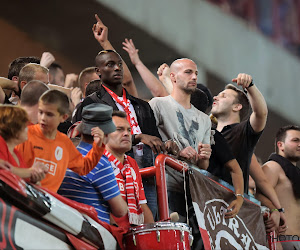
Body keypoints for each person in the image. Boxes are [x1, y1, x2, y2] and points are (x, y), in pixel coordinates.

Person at [73, 49, 171, 220]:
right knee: (118, 221)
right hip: (110, 171)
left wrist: (167, 144)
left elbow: (155, 139)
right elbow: (87, 139)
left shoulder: (142, 105)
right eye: (110, 65)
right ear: (98, 72)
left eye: (119, 64)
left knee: (149, 224)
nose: (117, 68)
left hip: (147, 175)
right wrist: (137, 137)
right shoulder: (91, 102)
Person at [211, 76, 287, 231]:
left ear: (237, 107)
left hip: (230, 216)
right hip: (203, 208)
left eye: (224, 96)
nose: (215, 97)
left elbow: (261, 113)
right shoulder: (206, 131)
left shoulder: (242, 133)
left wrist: (250, 86)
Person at [149, 58, 212, 221]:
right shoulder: (158, 104)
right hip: (163, 187)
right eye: (188, 72)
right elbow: (145, 144)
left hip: (192, 193)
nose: (194, 77)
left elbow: (204, 166)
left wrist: (205, 156)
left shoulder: (205, 119)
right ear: (173, 77)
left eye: (196, 73)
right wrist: (173, 151)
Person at [16, 90, 105, 192]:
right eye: (40, 112)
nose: (43, 118)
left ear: (63, 117)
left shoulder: (64, 142)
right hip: (21, 196)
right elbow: (10, 167)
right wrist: (29, 175)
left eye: (49, 114)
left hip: (48, 203)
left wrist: (98, 147)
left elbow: (83, 167)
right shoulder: (25, 135)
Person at [58, 104, 128, 224]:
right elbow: (120, 211)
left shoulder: (65, 155)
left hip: (65, 225)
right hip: (93, 232)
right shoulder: (100, 163)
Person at [104, 111, 154, 225]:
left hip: (131, 234)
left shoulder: (132, 163)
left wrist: (153, 232)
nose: (126, 134)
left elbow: (142, 205)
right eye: (119, 129)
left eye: (129, 130)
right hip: (107, 233)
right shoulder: (97, 160)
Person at [262, 125, 300, 249]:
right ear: (280, 145)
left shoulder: (297, 174)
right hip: (283, 241)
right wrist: (274, 209)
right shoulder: (273, 166)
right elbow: (259, 195)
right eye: (295, 140)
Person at [0, 105, 47, 182]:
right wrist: (32, 171)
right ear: (14, 128)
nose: (28, 128)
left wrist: (35, 179)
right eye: (25, 126)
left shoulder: (16, 153)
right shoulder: (1, 143)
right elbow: (4, 173)